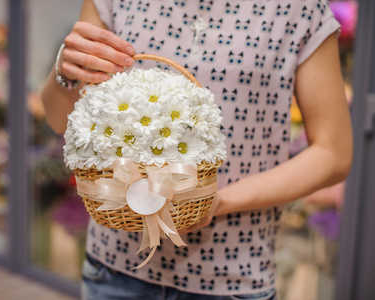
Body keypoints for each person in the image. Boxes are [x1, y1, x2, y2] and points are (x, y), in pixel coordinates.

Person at [41, 0, 353, 299]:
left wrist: (218, 202)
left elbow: (333, 154)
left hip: (233, 278)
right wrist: (64, 74)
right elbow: (59, 121)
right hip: (115, 270)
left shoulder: (298, 7)